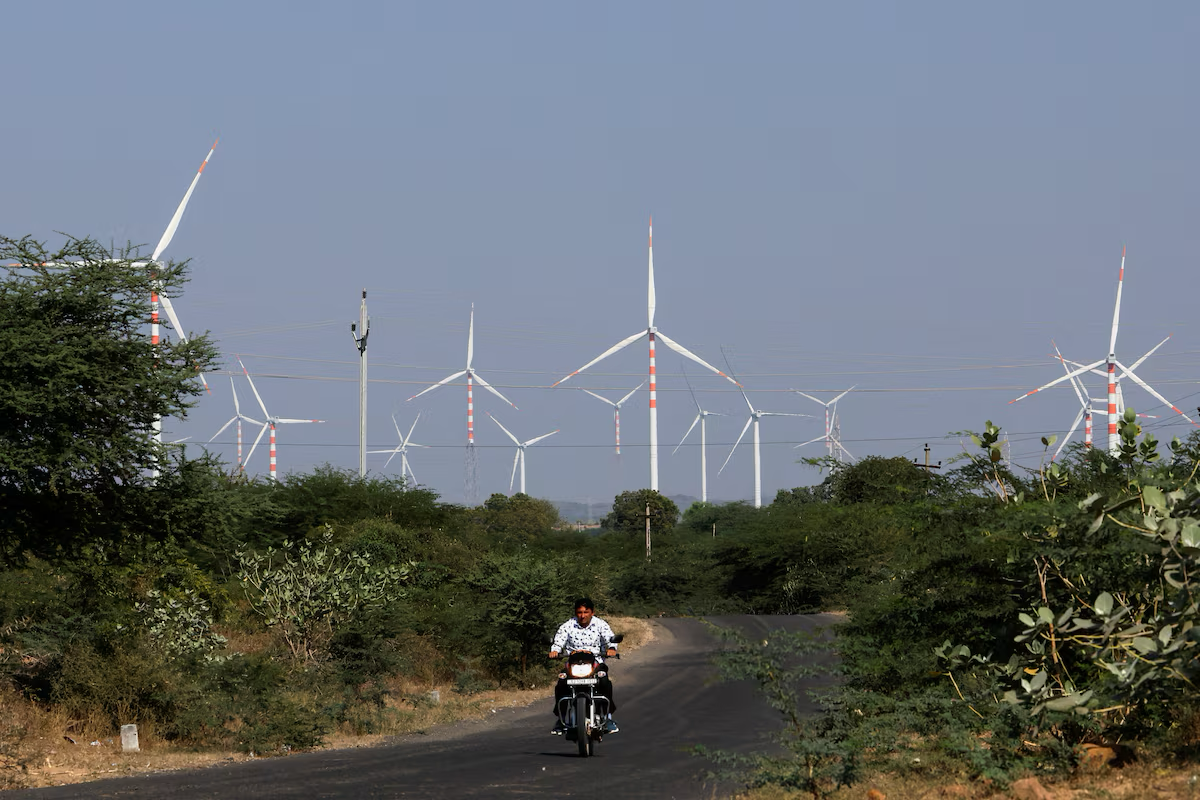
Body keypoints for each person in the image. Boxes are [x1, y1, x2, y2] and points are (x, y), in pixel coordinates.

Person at [548, 597, 619, 735]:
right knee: (561, 683)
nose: (582, 615)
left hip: (595, 663)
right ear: (575, 613)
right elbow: (558, 641)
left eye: (586, 612)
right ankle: (561, 719)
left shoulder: (600, 624)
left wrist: (611, 648)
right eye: (579, 612)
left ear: (592, 612)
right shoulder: (568, 626)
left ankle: (607, 718)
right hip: (573, 664)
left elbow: (610, 639)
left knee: (604, 682)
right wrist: (554, 651)